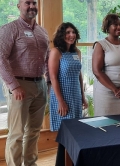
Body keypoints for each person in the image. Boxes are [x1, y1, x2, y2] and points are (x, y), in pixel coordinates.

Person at [0, 0, 50, 166]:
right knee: (17, 133)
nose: (32, 6)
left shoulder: (42, 31)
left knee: (33, 131)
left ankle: (30, 163)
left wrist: (47, 82)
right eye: (27, 3)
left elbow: (46, 58)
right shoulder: (9, 29)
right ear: (19, 6)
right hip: (20, 86)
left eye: (34, 3)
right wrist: (14, 86)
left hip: (39, 85)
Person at [48, 22, 87, 166]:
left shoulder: (77, 52)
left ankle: (73, 162)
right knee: (66, 132)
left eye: (73, 32)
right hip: (62, 95)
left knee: (75, 131)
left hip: (76, 95)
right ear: (62, 35)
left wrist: (83, 97)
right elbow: (53, 77)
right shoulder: (56, 52)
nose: (71, 35)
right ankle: (62, 163)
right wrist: (60, 101)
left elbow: (79, 75)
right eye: (68, 33)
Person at [92, 14, 120, 116]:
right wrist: (115, 89)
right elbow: (97, 71)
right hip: (105, 93)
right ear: (107, 27)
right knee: (105, 125)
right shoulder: (100, 44)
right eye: (115, 24)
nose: (119, 27)